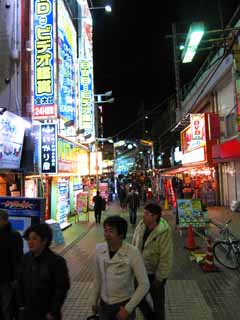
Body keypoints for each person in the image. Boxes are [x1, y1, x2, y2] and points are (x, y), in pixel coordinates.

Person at [91, 215, 150, 320]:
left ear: (121, 234)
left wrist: (128, 308)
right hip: (104, 305)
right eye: (105, 230)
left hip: (123, 305)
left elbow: (144, 284)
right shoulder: (99, 250)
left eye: (111, 231)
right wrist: (93, 300)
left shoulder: (132, 253)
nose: (106, 235)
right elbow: (97, 277)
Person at [17, 223, 70, 320]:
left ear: (44, 240)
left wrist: (53, 312)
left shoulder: (57, 262)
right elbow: (20, 283)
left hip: (47, 314)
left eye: (34, 238)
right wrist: (21, 305)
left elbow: (61, 289)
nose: (30, 242)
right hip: (27, 313)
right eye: (28, 239)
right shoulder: (25, 259)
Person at [132, 203, 173, 320]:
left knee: (158, 304)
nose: (143, 216)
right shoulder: (140, 226)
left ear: (154, 216)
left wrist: (159, 278)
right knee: (137, 299)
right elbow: (134, 245)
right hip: (140, 272)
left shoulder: (163, 231)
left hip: (155, 275)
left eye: (146, 214)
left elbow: (166, 256)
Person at [0, 209, 23, 320]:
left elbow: (17, 259)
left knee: (7, 307)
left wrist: (15, 279)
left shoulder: (14, 236)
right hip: (5, 278)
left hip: (7, 279)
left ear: (4, 220)